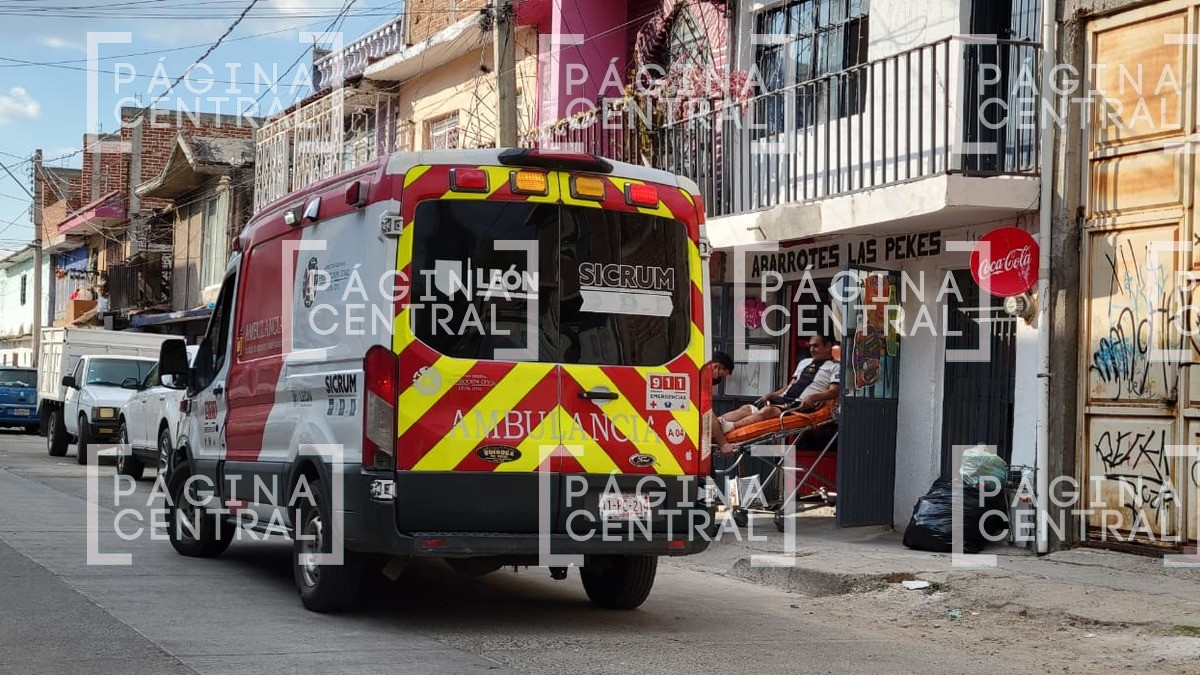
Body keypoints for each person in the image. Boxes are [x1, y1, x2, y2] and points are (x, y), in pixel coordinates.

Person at [711, 334, 840, 455]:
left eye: (816, 345)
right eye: (810, 346)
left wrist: (814, 397)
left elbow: (834, 391)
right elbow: (790, 386)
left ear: (828, 346)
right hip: (783, 399)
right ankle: (716, 424)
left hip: (802, 405)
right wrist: (771, 395)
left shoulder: (835, 367)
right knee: (747, 409)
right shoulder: (804, 363)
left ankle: (729, 427)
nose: (812, 349)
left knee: (768, 411)